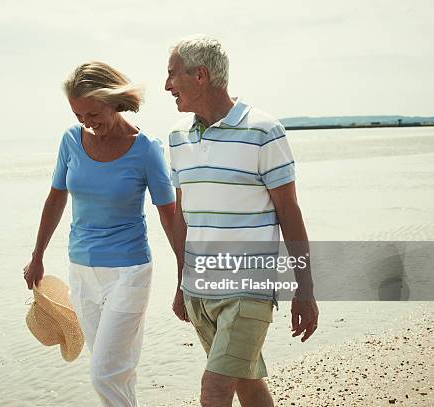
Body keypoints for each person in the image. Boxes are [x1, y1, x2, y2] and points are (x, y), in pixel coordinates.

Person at [164, 36, 319, 406]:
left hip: (249, 288)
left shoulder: (264, 130)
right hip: (200, 290)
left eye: (172, 75)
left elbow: (290, 213)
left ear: (200, 75)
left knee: (214, 390)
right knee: (245, 384)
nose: (166, 85)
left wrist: (306, 289)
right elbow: (184, 218)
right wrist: (181, 282)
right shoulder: (177, 139)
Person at [23, 61, 176, 407]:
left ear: (115, 101)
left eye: (93, 113)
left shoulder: (147, 149)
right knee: (118, 371)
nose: (88, 124)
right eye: (80, 116)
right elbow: (56, 197)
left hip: (129, 273)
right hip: (81, 271)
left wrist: (185, 273)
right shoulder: (70, 141)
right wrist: (37, 256)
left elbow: (169, 215)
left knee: (103, 373)